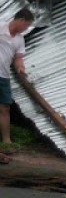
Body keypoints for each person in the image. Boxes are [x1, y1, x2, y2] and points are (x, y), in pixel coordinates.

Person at [0, 8, 34, 146]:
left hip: (4, 75)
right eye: (26, 25)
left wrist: (21, 68)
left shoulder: (20, 40)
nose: (26, 29)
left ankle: (6, 140)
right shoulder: (1, 26)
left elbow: (18, 58)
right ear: (21, 20)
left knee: (5, 107)